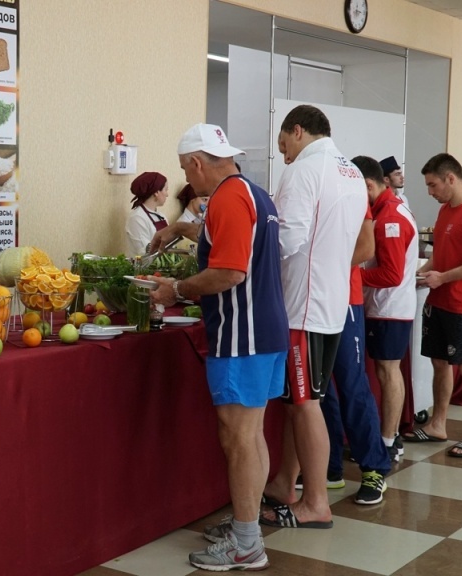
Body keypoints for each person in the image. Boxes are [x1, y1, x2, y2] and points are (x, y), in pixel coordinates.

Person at [148, 123, 287, 571]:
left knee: (239, 438)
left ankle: (246, 544)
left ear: (196, 163)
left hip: (240, 335)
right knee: (253, 434)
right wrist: (183, 228)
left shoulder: (228, 197)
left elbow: (229, 273)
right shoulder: (254, 192)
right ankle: (248, 526)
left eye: (187, 172)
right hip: (266, 330)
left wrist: (177, 289)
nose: (190, 181)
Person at [259, 104, 367, 529]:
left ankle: (316, 502)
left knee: (306, 404)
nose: (284, 154)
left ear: (298, 132)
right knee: (297, 401)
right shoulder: (351, 171)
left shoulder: (305, 169)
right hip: (331, 301)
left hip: (302, 305)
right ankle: (287, 480)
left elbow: (287, 237)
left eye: (284, 144)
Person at [406, 153, 462, 459]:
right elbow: (441, 253)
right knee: (438, 362)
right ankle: (438, 424)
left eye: (433, 185)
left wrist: (442, 277)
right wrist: (420, 273)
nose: (430, 192)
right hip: (440, 300)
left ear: (451, 179)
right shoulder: (445, 210)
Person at [353, 155, 419, 464]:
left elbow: (391, 274)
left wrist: (351, 275)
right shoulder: (383, 209)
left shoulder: (391, 217)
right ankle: (388, 437)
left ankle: (389, 440)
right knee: (385, 371)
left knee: (389, 372)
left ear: (368, 184)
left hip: (389, 308)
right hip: (385, 307)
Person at [124, 171, 168, 256]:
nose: (167, 194)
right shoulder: (137, 218)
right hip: (143, 267)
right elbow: (145, 252)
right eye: (166, 189)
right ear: (156, 192)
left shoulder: (161, 216)